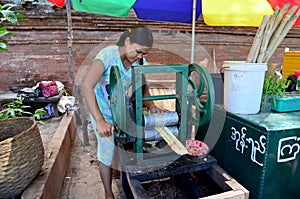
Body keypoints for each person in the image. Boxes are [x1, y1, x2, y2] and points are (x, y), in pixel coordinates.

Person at [81, 26, 159, 199]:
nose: (140, 57)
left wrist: (152, 106)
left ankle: (116, 171)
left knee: (121, 140)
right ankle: (108, 193)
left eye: (144, 54)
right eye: (138, 51)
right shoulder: (107, 56)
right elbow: (86, 86)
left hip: (120, 110)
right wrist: (100, 120)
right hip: (101, 110)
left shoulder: (139, 63)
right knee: (106, 150)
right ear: (128, 41)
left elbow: (143, 89)